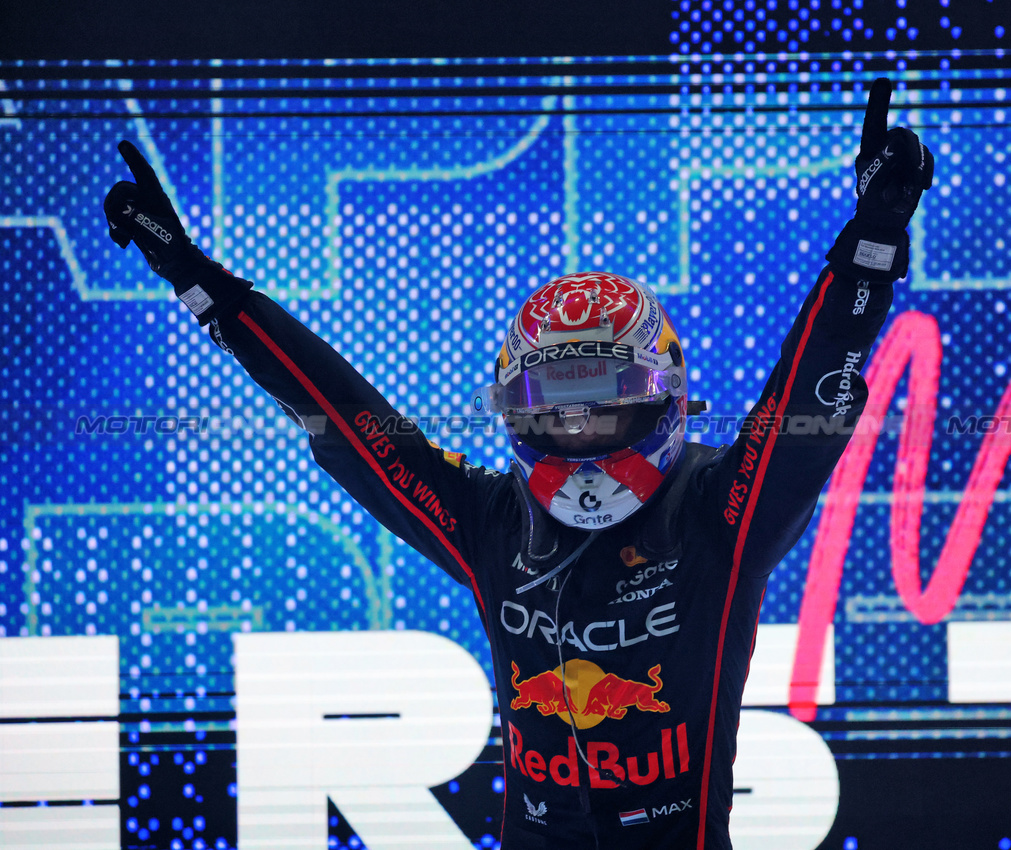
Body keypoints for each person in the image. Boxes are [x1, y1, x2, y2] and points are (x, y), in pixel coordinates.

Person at [103, 77, 931, 850]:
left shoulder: (719, 511)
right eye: (554, 413)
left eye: (602, 406)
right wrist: (198, 282)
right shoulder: (489, 522)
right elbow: (346, 420)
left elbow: (808, 396)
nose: (578, 432)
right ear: (513, 409)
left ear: (663, 399)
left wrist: (870, 241)